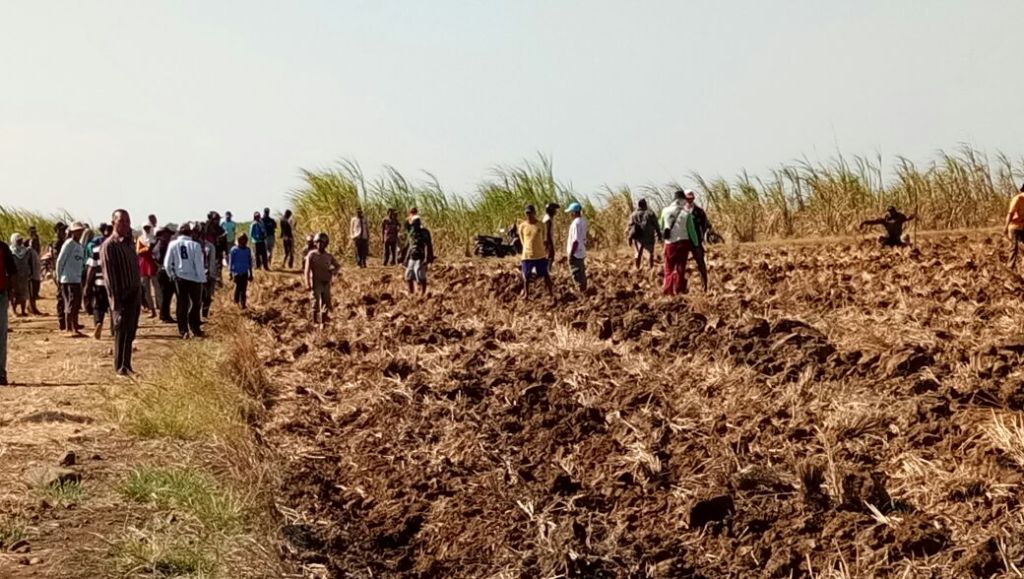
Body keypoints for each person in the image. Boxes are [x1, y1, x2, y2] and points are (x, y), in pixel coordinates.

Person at [101, 209, 144, 375]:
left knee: (130, 331)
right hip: (122, 296)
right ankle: (120, 367)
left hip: (134, 292)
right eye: (122, 221)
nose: (126, 224)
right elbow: (109, 277)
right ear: (113, 223)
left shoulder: (128, 244)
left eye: (128, 221)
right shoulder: (109, 246)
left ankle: (127, 364)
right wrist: (115, 302)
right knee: (121, 331)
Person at [165, 223, 206, 339]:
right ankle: (195, 329)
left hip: (180, 278)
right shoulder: (195, 245)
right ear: (190, 232)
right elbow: (199, 264)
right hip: (194, 279)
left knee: (182, 304)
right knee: (196, 304)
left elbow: (167, 263)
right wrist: (202, 279)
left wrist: (172, 275)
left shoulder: (173, 244)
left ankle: (183, 330)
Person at [660, 190, 698, 296]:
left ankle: (668, 290)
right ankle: (678, 289)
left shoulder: (665, 211)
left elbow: (661, 226)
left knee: (668, 268)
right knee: (681, 267)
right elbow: (691, 230)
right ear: (683, 201)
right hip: (683, 243)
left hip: (670, 244)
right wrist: (696, 244)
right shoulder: (686, 214)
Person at [57, 222, 87, 337]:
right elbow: (60, 261)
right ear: (72, 232)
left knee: (75, 303)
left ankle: (73, 325)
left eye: (81, 231)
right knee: (71, 303)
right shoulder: (68, 244)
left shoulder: (79, 246)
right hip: (68, 279)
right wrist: (59, 277)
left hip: (76, 278)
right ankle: (70, 327)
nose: (79, 233)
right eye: (77, 231)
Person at [519, 204, 554, 299]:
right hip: (527, 256)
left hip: (540, 255)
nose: (529, 215)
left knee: (545, 275)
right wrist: (527, 249)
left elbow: (544, 238)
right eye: (527, 213)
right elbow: (522, 240)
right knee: (526, 276)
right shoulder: (522, 226)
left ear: (534, 213)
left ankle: (551, 293)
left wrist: (543, 249)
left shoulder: (540, 225)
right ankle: (526, 294)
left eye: (530, 213)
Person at [304, 232, 339, 327]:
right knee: (315, 302)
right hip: (316, 282)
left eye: (322, 243)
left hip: (326, 282)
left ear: (326, 244)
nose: (320, 245)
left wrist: (334, 270)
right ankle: (314, 321)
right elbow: (306, 270)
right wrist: (307, 283)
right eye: (318, 242)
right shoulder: (311, 255)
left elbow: (337, 266)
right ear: (315, 243)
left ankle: (323, 321)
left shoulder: (329, 256)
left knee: (326, 302)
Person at [685, 190, 713, 291]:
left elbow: (705, 224)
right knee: (682, 265)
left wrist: (702, 237)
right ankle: (683, 287)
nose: (689, 200)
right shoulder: (681, 211)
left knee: (701, 263)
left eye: (691, 198)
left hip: (696, 241)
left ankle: (704, 286)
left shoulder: (699, 211)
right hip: (684, 241)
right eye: (687, 198)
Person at [0, 234, 17, 385]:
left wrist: (11, 293)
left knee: (1, 335)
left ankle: (0, 373)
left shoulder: (3, 248)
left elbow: (12, 272)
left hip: (1, 295)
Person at [84, 242, 109, 339]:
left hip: (100, 282)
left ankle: (98, 322)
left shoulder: (96, 249)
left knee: (98, 306)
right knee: (113, 307)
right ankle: (115, 329)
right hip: (114, 284)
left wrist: (87, 284)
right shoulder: (118, 248)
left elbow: (91, 268)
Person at [627, 199, 661, 269]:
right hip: (649, 236)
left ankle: (637, 268)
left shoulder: (633, 214)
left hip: (637, 237)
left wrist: (629, 238)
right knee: (649, 253)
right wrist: (658, 234)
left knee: (637, 253)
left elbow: (630, 227)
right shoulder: (650, 213)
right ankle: (650, 269)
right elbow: (656, 225)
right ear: (645, 205)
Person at [404, 216, 434, 295]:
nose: (414, 226)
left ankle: (423, 293)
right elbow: (410, 247)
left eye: (416, 224)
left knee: (421, 276)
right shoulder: (412, 234)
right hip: (412, 257)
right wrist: (406, 259)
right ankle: (411, 292)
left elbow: (427, 245)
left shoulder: (423, 233)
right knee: (408, 276)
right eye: (413, 224)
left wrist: (427, 258)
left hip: (420, 257)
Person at [152, 226, 176, 323]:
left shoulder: (161, 245)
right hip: (164, 271)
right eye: (167, 234)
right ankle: (164, 315)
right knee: (166, 294)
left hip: (162, 270)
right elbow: (160, 259)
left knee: (167, 295)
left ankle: (165, 315)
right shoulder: (162, 246)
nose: (169, 236)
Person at [565, 202, 588, 292]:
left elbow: (575, 241)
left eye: (571, 212)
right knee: (581, 271)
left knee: (576, 272)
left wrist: (571, 253)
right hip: (581, 251)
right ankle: (584, 289)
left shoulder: (575, 224)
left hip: (576, 252)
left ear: (574, 212)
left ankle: (580, 290)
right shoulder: (583, 221)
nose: (570, 214)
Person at [137, 225, 159, 318]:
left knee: (157, 289)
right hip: (143, 265)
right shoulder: (140, 239)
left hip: (153, 264)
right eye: (145, 228)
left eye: (148, 228)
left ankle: (161, 309)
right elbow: (138, 251)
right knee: (146, 290)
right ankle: (152, 309)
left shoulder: (154, 238)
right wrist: (147, 248)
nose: (147, 230)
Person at [50, 222, 68, 330]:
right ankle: (62, 321)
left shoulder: (62, 242)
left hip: (61, 271)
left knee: (64, 295)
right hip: (59, 271)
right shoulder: (57, 243)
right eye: (62, 230)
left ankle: (65, 321)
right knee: (61, 296)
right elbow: (58, 260)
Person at [8, 234, 32, 317]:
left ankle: (23, 310)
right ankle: (14, 310)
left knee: (24, 293)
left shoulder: (25, 250)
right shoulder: (11, 251)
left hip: (24, 275)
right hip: (15, 275)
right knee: (15, 293)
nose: (20, 242)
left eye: (21, 240)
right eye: (18, 240)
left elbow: (29, 262)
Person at [228, 234, 254, 309]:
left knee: (244, 289)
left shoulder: (247, 250)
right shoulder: (234, 250)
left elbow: (249, 262)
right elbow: (231, 262)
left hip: (245, 273)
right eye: (241, 240)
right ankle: (236, 302)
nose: (243, 242)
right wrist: (230, 273)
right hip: (237, 273)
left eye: (244, 240)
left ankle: (243, 304)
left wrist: (251, 274)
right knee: (238, 288)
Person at [200, 224, 217, 319]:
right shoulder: (194, 245)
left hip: (207, 274)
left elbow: (212, 261)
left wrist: (211, 274)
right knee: (198, 297)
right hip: (196, 275)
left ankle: (204, 314)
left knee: (207, 296)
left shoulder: (210, 246)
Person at [1006, 182, 1024, 268]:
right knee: (1014, 247)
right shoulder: (1017, 199)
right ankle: (1010, 267)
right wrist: (1005, 227)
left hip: (1022, 226)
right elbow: (1010, 214)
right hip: (1015, 226)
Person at [27, 226, 42, 302]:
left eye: (34, 232)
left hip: (36, 264)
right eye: (32, 232)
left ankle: (35, 295)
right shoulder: (27, 243)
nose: (34, 234)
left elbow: (38, 251)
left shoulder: (37, 241)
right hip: (31, 268)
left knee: (37, 282)